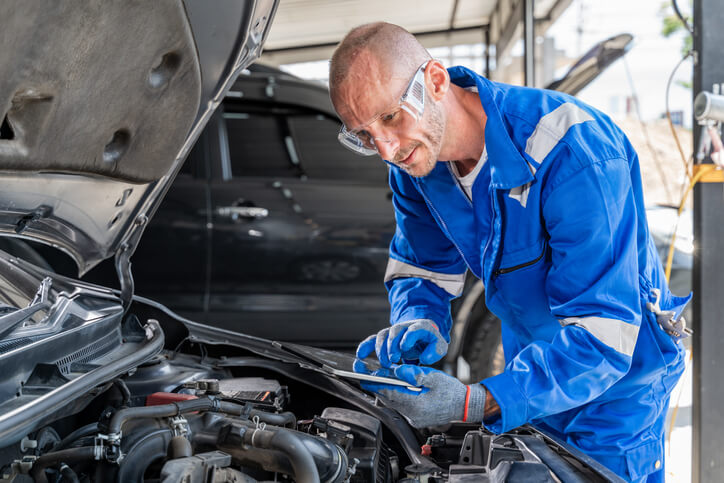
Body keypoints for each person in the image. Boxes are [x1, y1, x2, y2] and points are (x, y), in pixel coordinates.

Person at [328, 22, 691, 482]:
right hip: (533, 377)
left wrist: (477, 401)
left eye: (390, 117)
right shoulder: (417, 165)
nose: (386, 149)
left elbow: (604, 336)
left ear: (436, 82)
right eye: (362, 135)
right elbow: (420, 265)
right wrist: (417, 318)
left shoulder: (572, 150)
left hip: (618, 394)